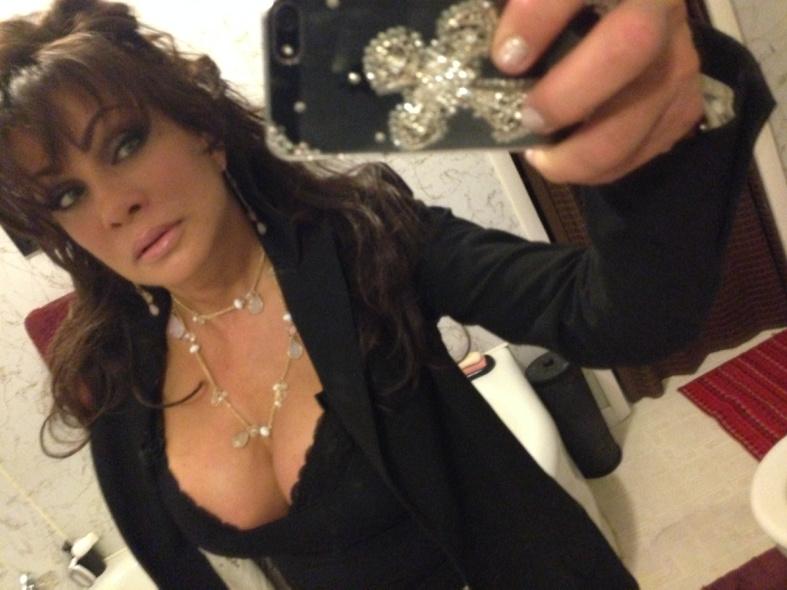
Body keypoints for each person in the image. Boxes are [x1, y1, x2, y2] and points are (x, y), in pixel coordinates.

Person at [0, 0, 774, 588]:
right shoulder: (113, 380)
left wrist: (656, 109)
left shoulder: (361, 238)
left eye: (126, 143)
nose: (113, 205)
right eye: (66, 195)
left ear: (200, 128)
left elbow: (617, 317)